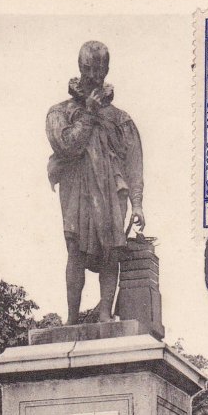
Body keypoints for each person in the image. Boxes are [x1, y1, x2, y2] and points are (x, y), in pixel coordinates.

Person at [46, 40, 144, 325]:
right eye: (88, 68)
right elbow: (68, 147)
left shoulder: (121, 119)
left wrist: (137, 204)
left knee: (112, 250)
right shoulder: (60, 112)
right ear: (80, 67)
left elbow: (134, 163)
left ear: (107, 69)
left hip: (113, 191)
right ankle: (71, 319)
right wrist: (89, 113)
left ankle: (104, 314)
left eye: (100, 69)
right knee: (75, 249)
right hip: (77, 190)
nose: (93, 75)